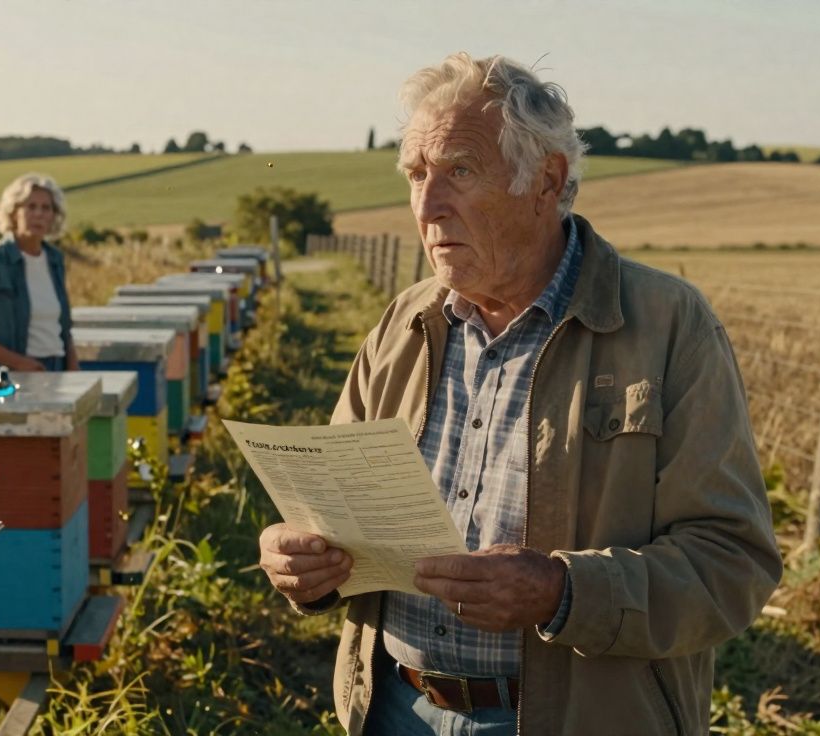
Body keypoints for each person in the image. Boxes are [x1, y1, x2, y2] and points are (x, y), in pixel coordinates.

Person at [258, 53, 781, 735]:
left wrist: (562, 592)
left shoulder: (669, 325)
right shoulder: (402, 325)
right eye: (416, 175)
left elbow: (732, 563)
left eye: (460, 172)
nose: (426, 204)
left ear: (547, 180)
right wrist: (299, 559)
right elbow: (325, 514)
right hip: (392, 709)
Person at [0, 173, 78, 372]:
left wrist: (74, 372)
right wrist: (19, 363)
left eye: (46, 208)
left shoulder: (55, 260)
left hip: (56, 370)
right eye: (30, 207)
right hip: (7, 377)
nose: (38, 214)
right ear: (13, 212)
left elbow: (63, 328)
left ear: (54, 216)